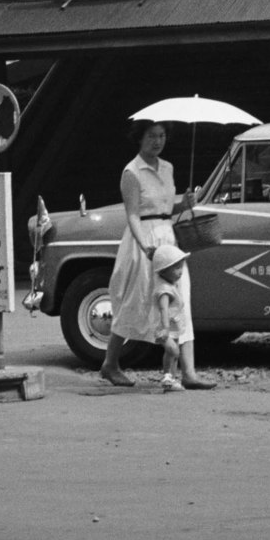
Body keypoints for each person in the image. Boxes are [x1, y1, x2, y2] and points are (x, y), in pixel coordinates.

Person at [99, 119, 217, 390]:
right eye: (152, 135)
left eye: (162, 135)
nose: (157, 141)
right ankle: (110, 363)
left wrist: (183, 204)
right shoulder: (131, 172)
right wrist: (144, 246)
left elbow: (166, 209)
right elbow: (133, 214)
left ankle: (189, 373)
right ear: (140, 138)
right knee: (136, 301)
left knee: (180, 298)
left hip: (168, 239)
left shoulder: (168, 168)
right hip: (143, 240)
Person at [150, 243, 191, 392]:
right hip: (164, 327)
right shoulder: (164, 289)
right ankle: (167, 376)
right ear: (164, 270)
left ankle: (171, 379)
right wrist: (165, 327)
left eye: (181, 267)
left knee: (172, 353)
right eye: (176, 268)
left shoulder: (171, 283)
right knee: (173, 351)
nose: (180, 271)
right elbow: (163, 309)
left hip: (173, 326)